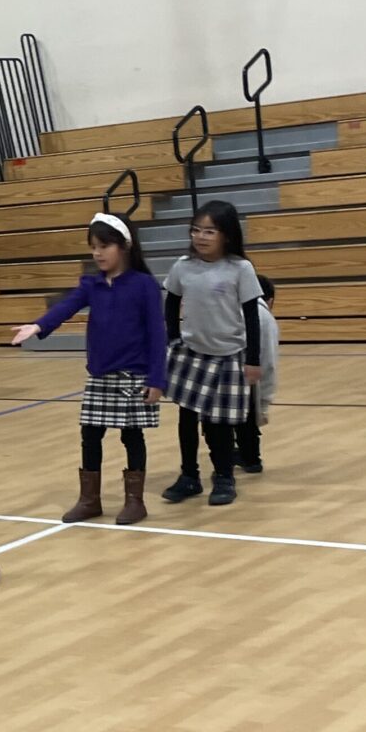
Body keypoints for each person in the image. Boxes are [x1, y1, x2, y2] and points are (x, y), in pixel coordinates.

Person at [10, 211, 165, 525]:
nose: (97, 253)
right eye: (93, 246)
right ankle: (89, 499)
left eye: (104, 246)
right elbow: (66, 306)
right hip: (99, 375)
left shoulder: (144, 285)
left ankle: (135, 502)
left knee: (132, 437)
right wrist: (39, 326)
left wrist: (157, 378)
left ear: (123, 246)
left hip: (133, 374)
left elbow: (158, 334)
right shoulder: (91, 284)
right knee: (90, 435)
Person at [161, 199, 263, 508]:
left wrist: (253, 360)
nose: (201, 237)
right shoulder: (183, 266)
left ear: (227, 235)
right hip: (192, 354)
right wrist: (174, 338)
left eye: (209, 231)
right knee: (187, 419)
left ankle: (223, 477)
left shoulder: (240, 269)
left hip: (229, 354)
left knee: (219, 424)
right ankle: (189, 476)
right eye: (196, 230)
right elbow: (170, 301)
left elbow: (252, 316)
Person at [234, 275, 279, 474]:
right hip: (246, 378)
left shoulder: (237, 309)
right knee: (247, 421)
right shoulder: (263, 316)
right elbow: (269, 360)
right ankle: (250, 458)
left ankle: (247, 457)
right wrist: (264, 402)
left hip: (234, 374)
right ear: (269, 300)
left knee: (238, 424)